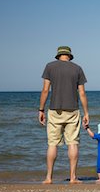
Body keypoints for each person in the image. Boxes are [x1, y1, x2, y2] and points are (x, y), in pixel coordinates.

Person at [38, 46, 89, 184]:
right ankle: (73, 178)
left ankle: (48, 178)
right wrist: (86, 113)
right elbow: (82, 93)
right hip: (72, 110)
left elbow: (45, 90)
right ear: (69, 56)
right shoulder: (77, 68)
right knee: (73, 143)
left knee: (52, 144)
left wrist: (41, 109)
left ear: (58, 55)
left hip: (55, 110)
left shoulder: (50, 67)